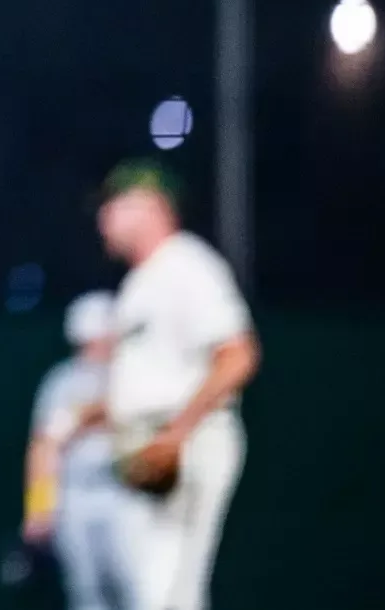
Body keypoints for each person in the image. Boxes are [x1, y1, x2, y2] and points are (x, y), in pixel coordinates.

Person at [94, 162, 261, 610]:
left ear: (150, 206)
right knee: (151, 594)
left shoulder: (187, 264)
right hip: (148, 446)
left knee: (167, 595)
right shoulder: (141, 281)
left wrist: (177, 432)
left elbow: (238, 355)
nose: (102, 220)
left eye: (112, 207)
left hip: (186, 445)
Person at [24, 291, 130, 610]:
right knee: (85, 593)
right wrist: (39, 508)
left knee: (139, 585)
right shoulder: (61, 382)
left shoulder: (133, 374)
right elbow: (44, 448)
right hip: (76, 497)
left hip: (128, 495)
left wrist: (87, 417)